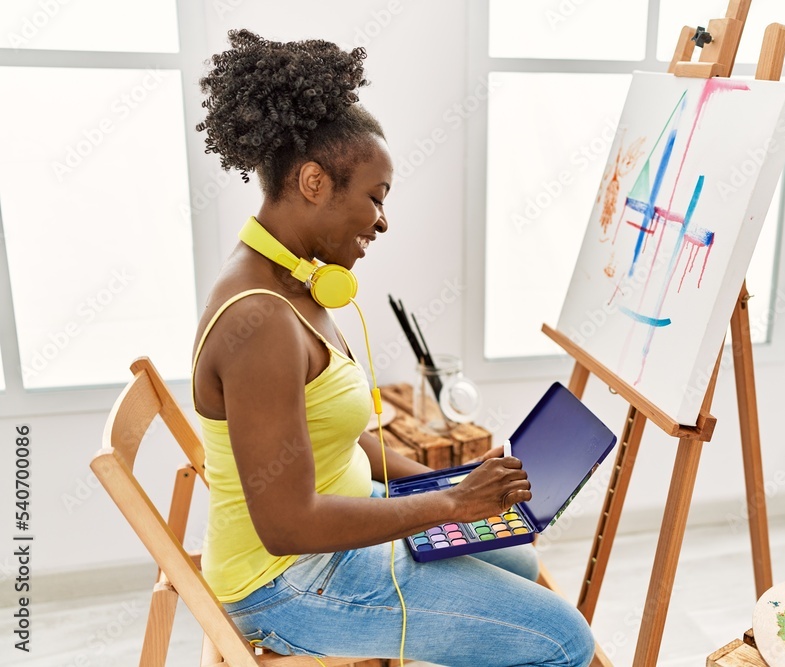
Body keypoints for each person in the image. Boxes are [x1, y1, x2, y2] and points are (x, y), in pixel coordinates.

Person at [190, 29, 595, 666]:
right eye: (376, 198)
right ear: (315, 182)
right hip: (288, 581)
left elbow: (330, 442)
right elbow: (288, 525)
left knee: (516, 551)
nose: (383, 221)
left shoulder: (298, 281)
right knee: (564, 640)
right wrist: (455, 503)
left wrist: (448, 481)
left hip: (339, 521)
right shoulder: (262, 321)